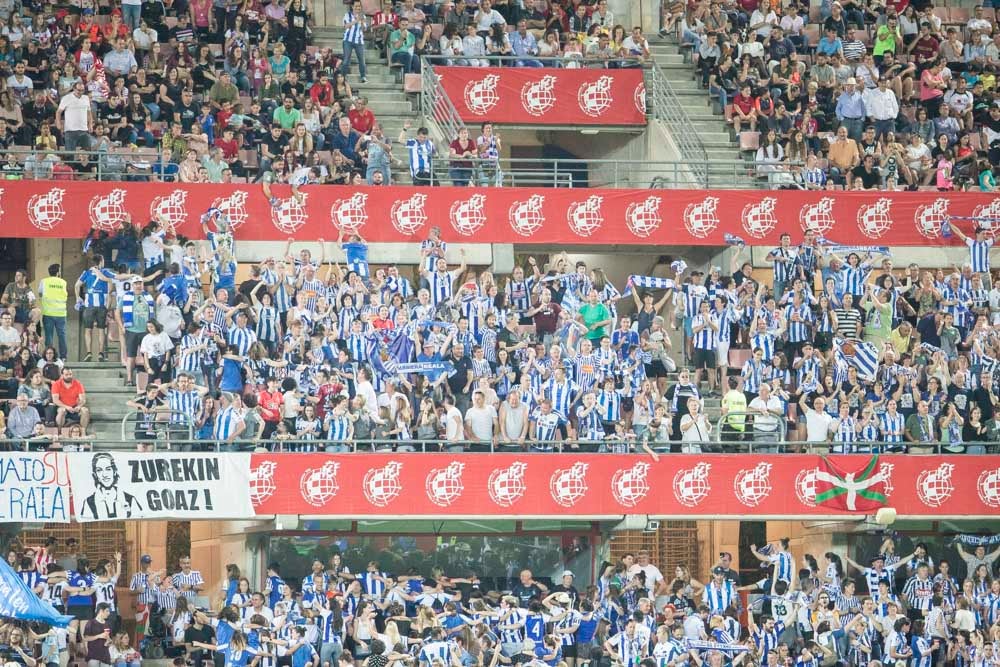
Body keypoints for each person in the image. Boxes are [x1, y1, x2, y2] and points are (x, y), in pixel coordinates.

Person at [38, 263, 68, 359]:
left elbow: (40, 293)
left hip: (48, 313)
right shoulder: (63, 282)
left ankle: (49, 357)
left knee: (49, 337)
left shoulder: (44, 281)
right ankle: (63, 357)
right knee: (62, 336)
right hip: (61, 314)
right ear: (58, 272)